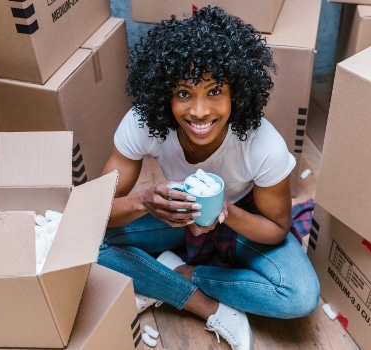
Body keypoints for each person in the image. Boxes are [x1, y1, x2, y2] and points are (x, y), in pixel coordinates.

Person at [97, 6, 320, 350]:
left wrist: (225, 213)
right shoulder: (143, 123)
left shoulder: (263, 145)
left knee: (299, 296)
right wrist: (144, 201)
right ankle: (204, 304)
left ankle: (183, 273)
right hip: (172, 214)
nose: (199, 112)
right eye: (184, 93)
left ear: (236, 94)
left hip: (240, 218)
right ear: (165, 94)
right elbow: (93, 212)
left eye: (215, 91)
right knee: (89, 244)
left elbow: (276, 229)